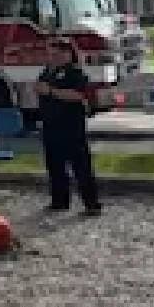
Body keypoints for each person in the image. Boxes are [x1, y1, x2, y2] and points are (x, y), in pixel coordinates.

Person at [35, 37, 102, 215]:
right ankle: (59, 200)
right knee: (55, 166)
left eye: (56, 54)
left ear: (67, 54)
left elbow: (78, 95)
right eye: (50, 54)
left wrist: (51, 91)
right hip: (51, 125)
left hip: (71, 126)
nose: (52, 57)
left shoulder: (75, 72)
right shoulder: (47, 72)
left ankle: (91, 203)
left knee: (81, 166)